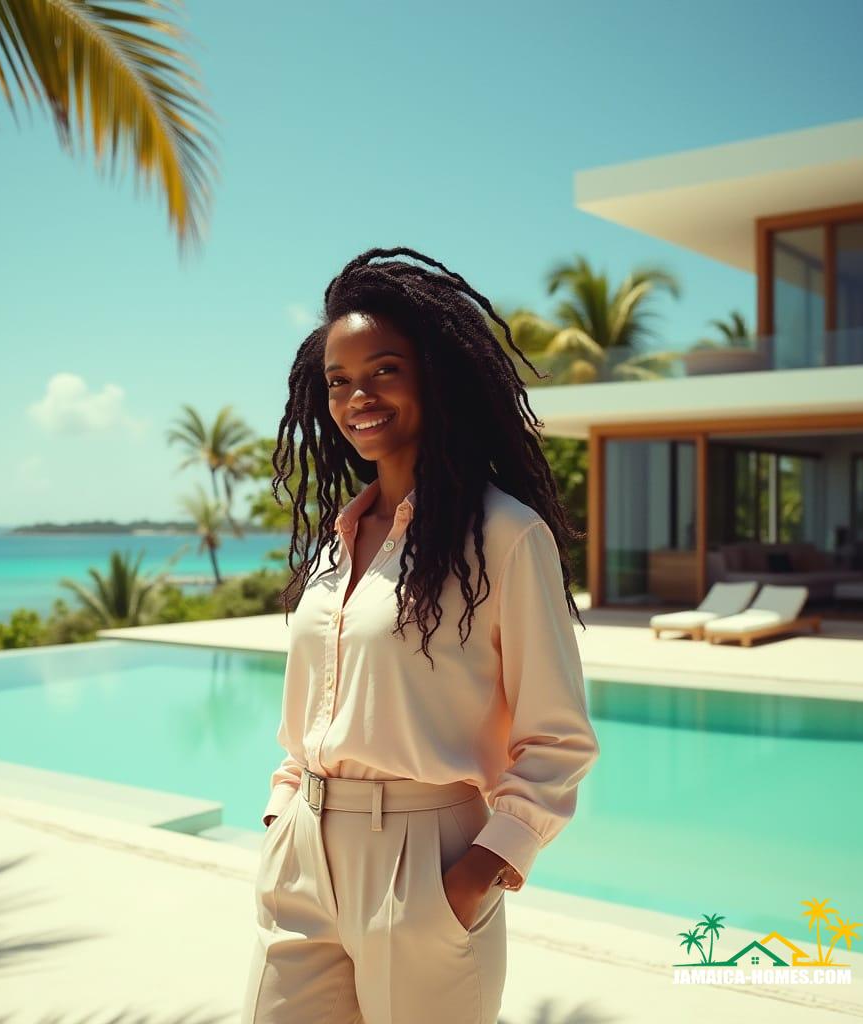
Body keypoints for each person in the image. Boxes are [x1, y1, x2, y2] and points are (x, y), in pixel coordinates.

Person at [241, 246, 600, 1024]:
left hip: (426, 864)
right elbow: (306, 717)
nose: (357, 396)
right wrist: (283, 815)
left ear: (436, 374)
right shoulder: (337, 540)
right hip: (304, 857)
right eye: (339, 381)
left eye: (385, 370)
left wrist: (478, 872)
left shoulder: (505, 534)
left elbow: (558, 740)